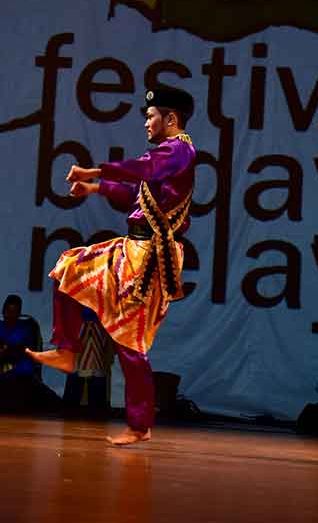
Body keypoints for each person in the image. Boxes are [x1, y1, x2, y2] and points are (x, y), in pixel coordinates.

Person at [29, 87, 196, 445]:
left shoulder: (180, 150)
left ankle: (139, 424)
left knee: (129, 338)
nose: (147, 123)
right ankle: (65, 350)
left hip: (150, 256)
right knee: (68, 269)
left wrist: (95, 170)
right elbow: (134, 196)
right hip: (132, 247)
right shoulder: (168, 158)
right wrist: (94, 189)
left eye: (151, 117)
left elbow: (144, 169)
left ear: (171, 119)